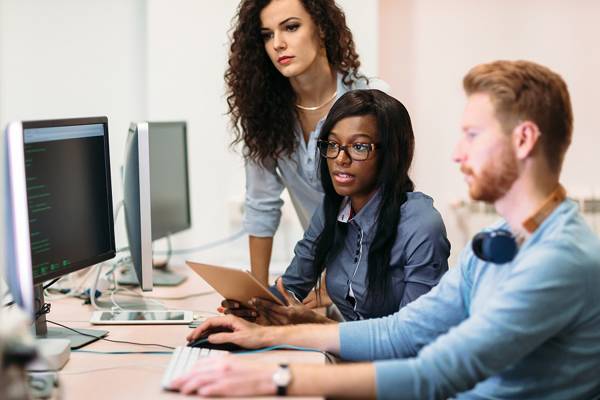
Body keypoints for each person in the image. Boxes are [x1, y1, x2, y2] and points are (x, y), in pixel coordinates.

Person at [172, 60, 600, 398]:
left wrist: (275, 380)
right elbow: (403, 330)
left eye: (471, 135)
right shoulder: (499, 242)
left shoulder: (558, 260)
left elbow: (435, 373)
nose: (456, 153)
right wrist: (266, 333)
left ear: (523, 140)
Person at [223, 89, 450, 325]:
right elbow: (290, 289)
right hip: (349, 355)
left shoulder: (421, 224)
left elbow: (411, 337)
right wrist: (251, 307)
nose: (340, 159)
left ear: (391, 154)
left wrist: (316, 324)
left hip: (399, 361)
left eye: (359, 147)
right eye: (332, 144)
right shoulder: (334, 208)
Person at [226, 0, 388, 287]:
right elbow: (261, 205)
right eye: (267, 34)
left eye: (291, 27)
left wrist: (328, 290)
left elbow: (383, 206)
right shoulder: (264, 114)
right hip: (321, 275)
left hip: (379, 275)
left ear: (322, 28)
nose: (278, 43)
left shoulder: (372, 100)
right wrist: (258, 298)